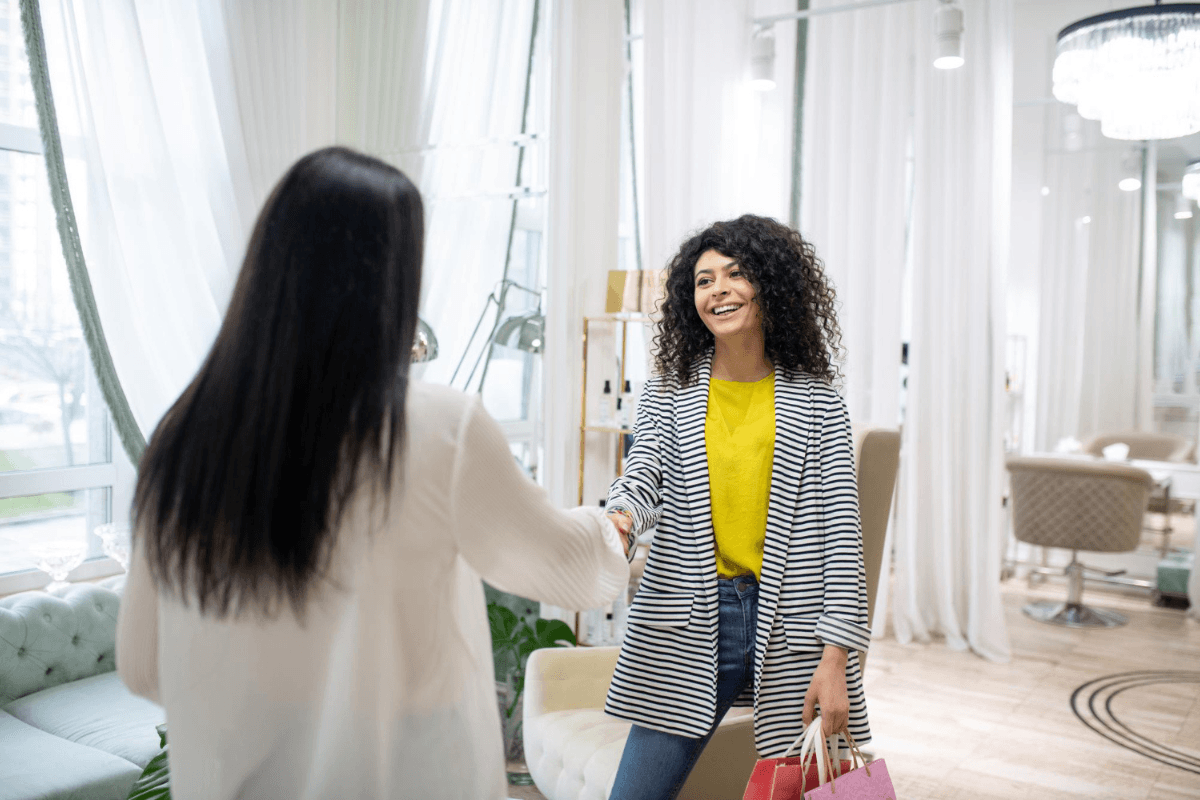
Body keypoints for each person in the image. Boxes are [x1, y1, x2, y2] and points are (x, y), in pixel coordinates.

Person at [115, 146, 632, 800]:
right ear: (390, 283)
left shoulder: (182, 438)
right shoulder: (440, 429)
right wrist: (618, 526)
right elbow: (567, 566)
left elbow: (141, 665)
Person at [603, 215, 871, 800]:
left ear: (769, 285)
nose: (718, 290)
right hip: (692, 616)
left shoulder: (818, 397)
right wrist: (620, 516)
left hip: (795, 625)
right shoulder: (668, 387)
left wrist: (836, 659)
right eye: (703, 281)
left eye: (735, 274)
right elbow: (644, 471)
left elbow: (842, 540)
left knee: (800, 790)